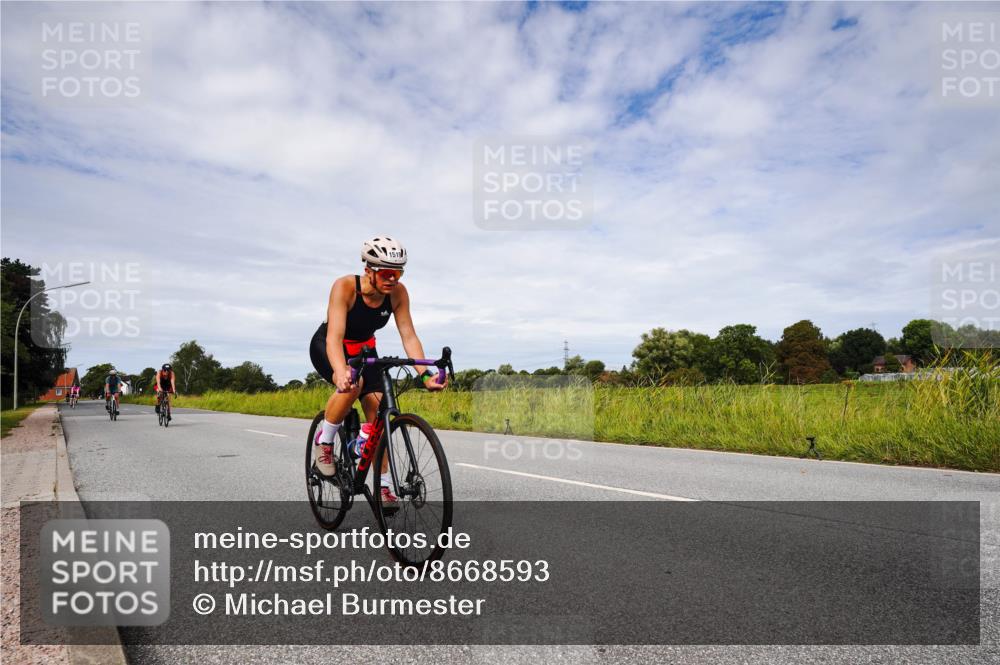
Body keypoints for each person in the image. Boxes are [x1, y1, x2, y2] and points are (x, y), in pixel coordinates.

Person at [309, 236, 446, 507]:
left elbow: (408, 335)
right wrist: (339, 371)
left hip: (364, 350)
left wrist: (425, 374)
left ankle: (382, 486)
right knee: (353, 382)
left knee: (380, 417)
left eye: (398, 272)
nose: (393, 279)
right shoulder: (346, 287)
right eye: (386, 272)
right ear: (368, 269)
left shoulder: (398, 293)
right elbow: (335, 338)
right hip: (328, 346)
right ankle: (324, 443)